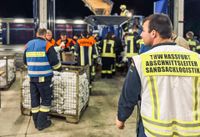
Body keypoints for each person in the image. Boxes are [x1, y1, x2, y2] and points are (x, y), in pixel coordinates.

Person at [116, 14, 200, 137]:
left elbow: (129, 95)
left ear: (153, 33)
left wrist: (121, 118)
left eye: (143, 31)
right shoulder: (197, 59)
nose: (141, 34)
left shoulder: (141, 61)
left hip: (153, 132)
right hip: (192, 131)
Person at [23, 28, 62, 130]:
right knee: (46, 100)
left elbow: (25, 61)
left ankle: (36, 121)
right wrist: (59, 69)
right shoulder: (47, 45)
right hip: (44, 78)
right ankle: (41, 123)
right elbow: (55, 62)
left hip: (32, 78)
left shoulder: (28, 44)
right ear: (45, 35)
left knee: (34, 100)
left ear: (37, 34)